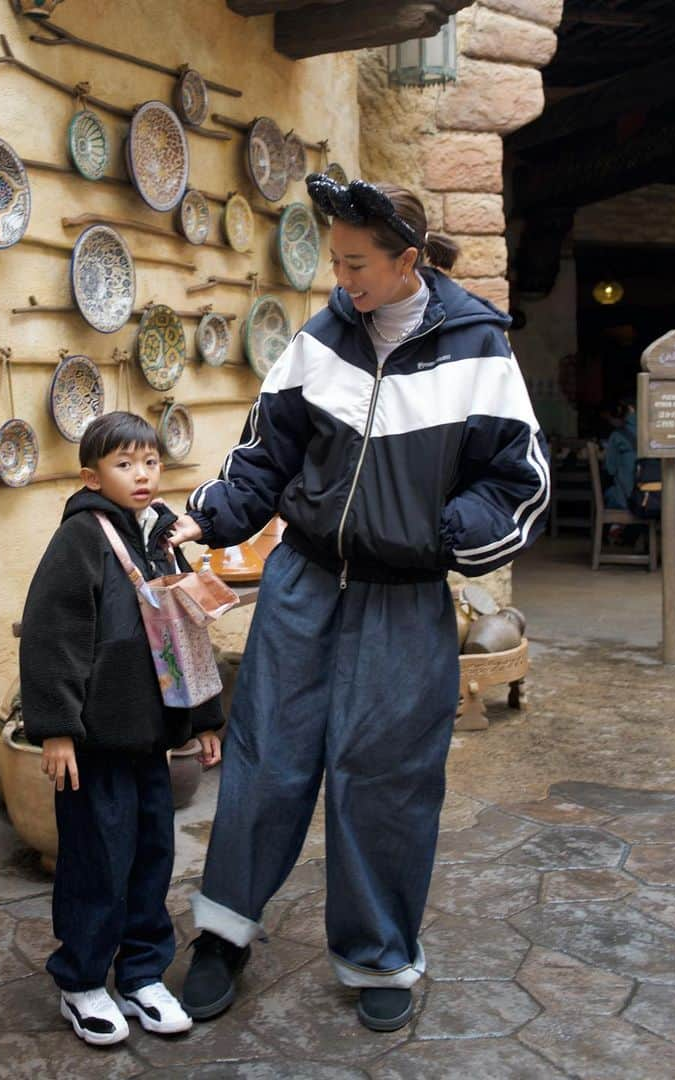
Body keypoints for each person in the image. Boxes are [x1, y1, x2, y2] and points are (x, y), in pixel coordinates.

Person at [169, 175, 550, 1033]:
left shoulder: (479, 349)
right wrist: (206, 518)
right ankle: (225, 931)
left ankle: (378, 951)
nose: (342, 279)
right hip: (303, 582)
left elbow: (518, 481)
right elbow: (264, 456)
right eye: (335, 261)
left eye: (356, 263)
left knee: (386, 776)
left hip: (404, 595)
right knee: (266, 758)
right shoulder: (322, 338)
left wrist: (442, 534)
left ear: (407, 259)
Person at [19, 411, 224, 1047]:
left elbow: (186, 627)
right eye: (124, 464)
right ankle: (81, 982)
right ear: (92, 475)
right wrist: (56, 729)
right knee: (94, 861)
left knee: (150, 857)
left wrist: (206, 719)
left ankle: (141, 974)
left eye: (151, 462)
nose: (141, 475)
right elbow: (52, 637)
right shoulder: (80, 540)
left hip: (149, 737)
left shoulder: (161, 535)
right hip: (94, 744)